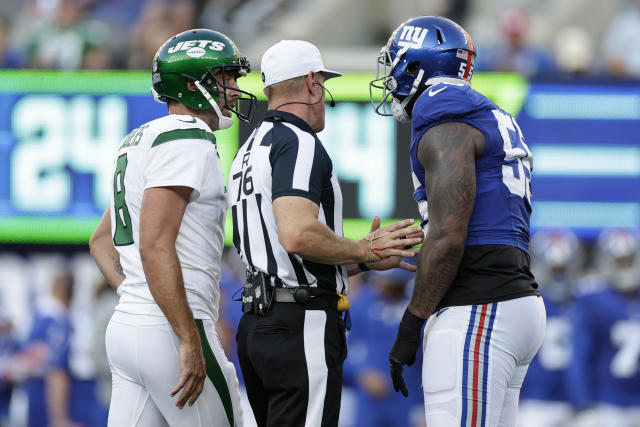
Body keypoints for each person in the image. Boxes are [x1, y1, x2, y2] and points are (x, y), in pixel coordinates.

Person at [229, 39, 423, 427]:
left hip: (258, 321)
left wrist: (358, 261)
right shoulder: (297, 142)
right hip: (299, 323)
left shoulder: (249, 147)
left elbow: (285, 259)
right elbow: (297, 235)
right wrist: (363, 251)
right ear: (313, 83)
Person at [370, 16, 546, 427]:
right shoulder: (485, 110)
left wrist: (411, 323)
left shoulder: (440, 106)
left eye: (395, 64)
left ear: (417, 66)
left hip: (480, 304)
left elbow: (451, 234)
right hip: (512, 299)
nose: (390, 77)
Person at [89, 28, 256, 427]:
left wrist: (138, 298)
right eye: (225, 78)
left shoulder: (139, 138)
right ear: (191, 84)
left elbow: (100, 242)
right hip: (172, 327)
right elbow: (154, 244)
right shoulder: (187, 137)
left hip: (129, 326)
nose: (233, 89)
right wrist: (185, 335)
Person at [568, 228, 640, 427]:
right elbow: (581, 357)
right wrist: (583, 403)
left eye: (629, 259)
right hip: (608, 404)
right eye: (619, 261)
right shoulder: (593, 299)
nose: (625, 266)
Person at [518, 229, 582, 427]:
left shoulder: (584, 301)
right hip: (536, 401)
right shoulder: (526, 301)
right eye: (555, 269)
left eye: (562, 269)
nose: (559, 276)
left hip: (574, 403)